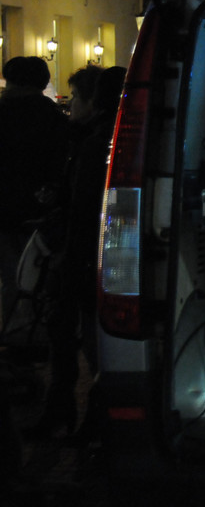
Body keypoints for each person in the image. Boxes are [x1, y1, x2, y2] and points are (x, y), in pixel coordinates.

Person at [32, 65, 126, 440]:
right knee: (86, 335)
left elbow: (84, 209)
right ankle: (82, 414)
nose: (71, 105)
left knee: (79, 334)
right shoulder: (100, 138)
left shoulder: (92, 142)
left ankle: (73, 412)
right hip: (94, 252)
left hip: (83, 253)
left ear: (93, 100)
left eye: (75, 98)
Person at [0, 57, 69, 329]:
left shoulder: (3, 112)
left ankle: (15, 331)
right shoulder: (53, 116)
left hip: (4, 207)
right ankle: (37, 330)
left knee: (11, 274)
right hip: (41, 208)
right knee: (38, 272)